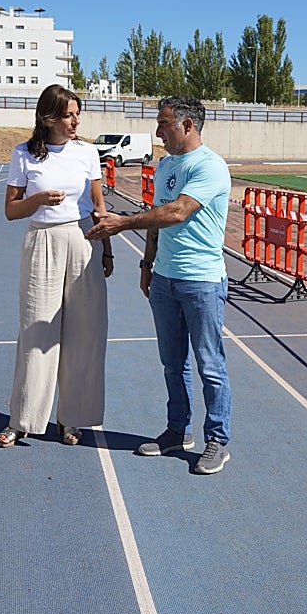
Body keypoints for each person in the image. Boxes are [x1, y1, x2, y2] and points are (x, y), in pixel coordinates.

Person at [86, 96, 232, 475]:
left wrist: (121, 223)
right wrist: (147, 262)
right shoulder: (166, 164)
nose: (158, 131)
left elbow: (178, 211)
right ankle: (177, 431)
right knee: (172, 364)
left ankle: (217, 439)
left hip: (201, 280)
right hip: (165, 279)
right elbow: (156, 218)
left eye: (164, 123)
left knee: (210, 365)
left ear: (187, 125)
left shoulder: (210, 167)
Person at [0, 84, 113, 448]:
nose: (75, 121)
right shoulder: (24, 155)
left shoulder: (87, 153)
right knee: (36, 333)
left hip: (83, 242)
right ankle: (23, 418)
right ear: (48, 118)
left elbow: (98, 205)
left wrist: (106, 249)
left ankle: (71, 418)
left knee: (84, 335)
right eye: (68, 115)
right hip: (43, 240)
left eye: (78, 114)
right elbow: (10, 211)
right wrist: (37, 200)